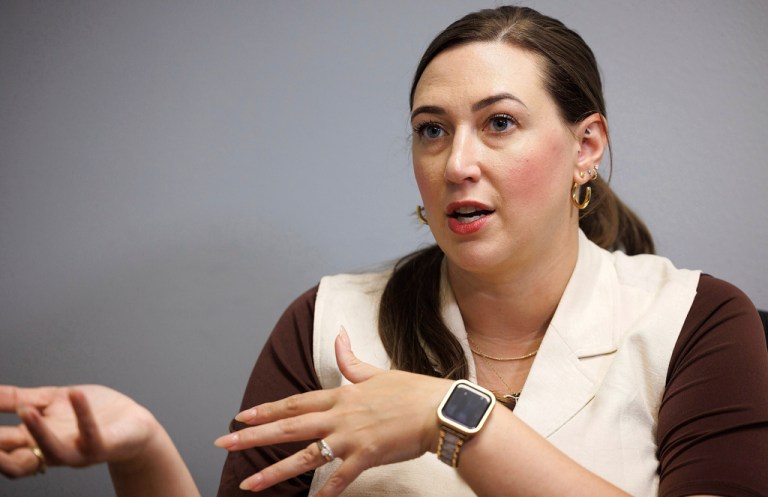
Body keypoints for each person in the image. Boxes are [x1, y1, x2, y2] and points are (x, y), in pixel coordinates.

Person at [2, 5, 767, 497]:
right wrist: (140, 450)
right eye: (432, 129)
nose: (457, 162)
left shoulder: (697, 319)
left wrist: (451, 418)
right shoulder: (327, 320)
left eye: (499, 123)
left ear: (586, 146)